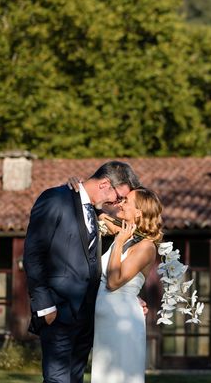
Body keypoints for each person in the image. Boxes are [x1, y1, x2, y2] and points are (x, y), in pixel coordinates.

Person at [23, 161, 140, 383]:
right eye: (118, 197)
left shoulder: (97, 215)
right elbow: (34, 254)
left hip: (87, 315)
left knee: (75, 379)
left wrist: (132, 297)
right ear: (105, 183)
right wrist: (44, 305)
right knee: (57, 380)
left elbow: (103, 264)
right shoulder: (55, 199)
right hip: (57, 311)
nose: (117, 203)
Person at [90, 186, 163, 383]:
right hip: (106, 319)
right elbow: (100, 216)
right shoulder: (126, 234)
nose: (121, 203)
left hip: (122, 320)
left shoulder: (145, 247)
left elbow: (113, 282)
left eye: (126, 201)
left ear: (139, 212)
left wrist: (119, 242)